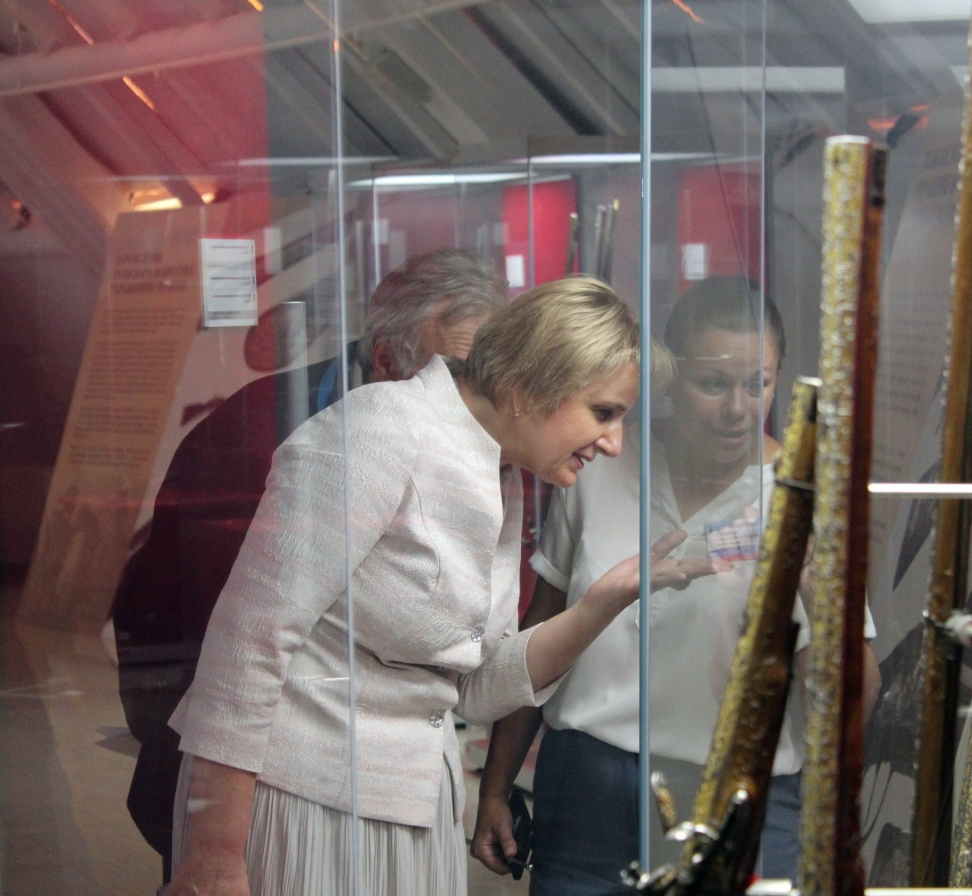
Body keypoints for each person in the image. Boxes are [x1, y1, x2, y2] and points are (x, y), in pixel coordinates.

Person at [162, 277, 728, 896]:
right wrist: (214, 854)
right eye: (604, 413)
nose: (615, 443)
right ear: (533, 382)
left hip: (413, 801)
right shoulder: (380, 430)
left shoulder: (498, 466)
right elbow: (247, 646)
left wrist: (601, 602)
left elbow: (475, 691)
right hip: (304, 797)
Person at [470, 276, 881, 893]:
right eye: (713, 383)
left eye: (758, 384)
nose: (738, 408)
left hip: (740, 795)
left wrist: (817, 595)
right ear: (669, 378)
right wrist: (495, 788)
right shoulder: (599, 459)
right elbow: (540, 633)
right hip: (586, 790)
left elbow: (857, 703)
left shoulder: (809, 495)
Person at [111, 248, 508, 882]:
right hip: (249, 774)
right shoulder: (253, 426)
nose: (473, 396)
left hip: (390, 778)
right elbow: (163, 615)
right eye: (456, 371)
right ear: (386, 360)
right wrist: (191, 776)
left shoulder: (484, 448)